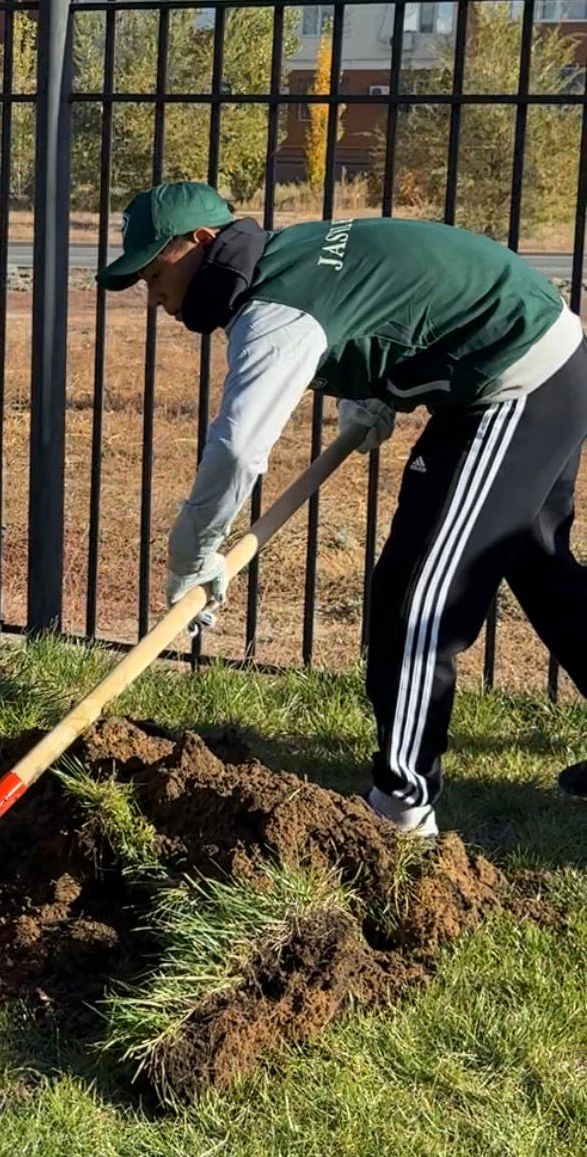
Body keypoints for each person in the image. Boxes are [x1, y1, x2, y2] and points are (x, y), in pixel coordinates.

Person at [100, 181, 586, 837]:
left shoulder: (272, 308)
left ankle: (400, 806)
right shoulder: (286, 252)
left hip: (517, 373)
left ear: (203, 244)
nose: (154, 297)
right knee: (540, 568)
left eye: (157, 274)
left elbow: (239, 449)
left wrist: (192, 554)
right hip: (530, 353)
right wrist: (377, 386)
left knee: (420, 596)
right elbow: (382, 294)